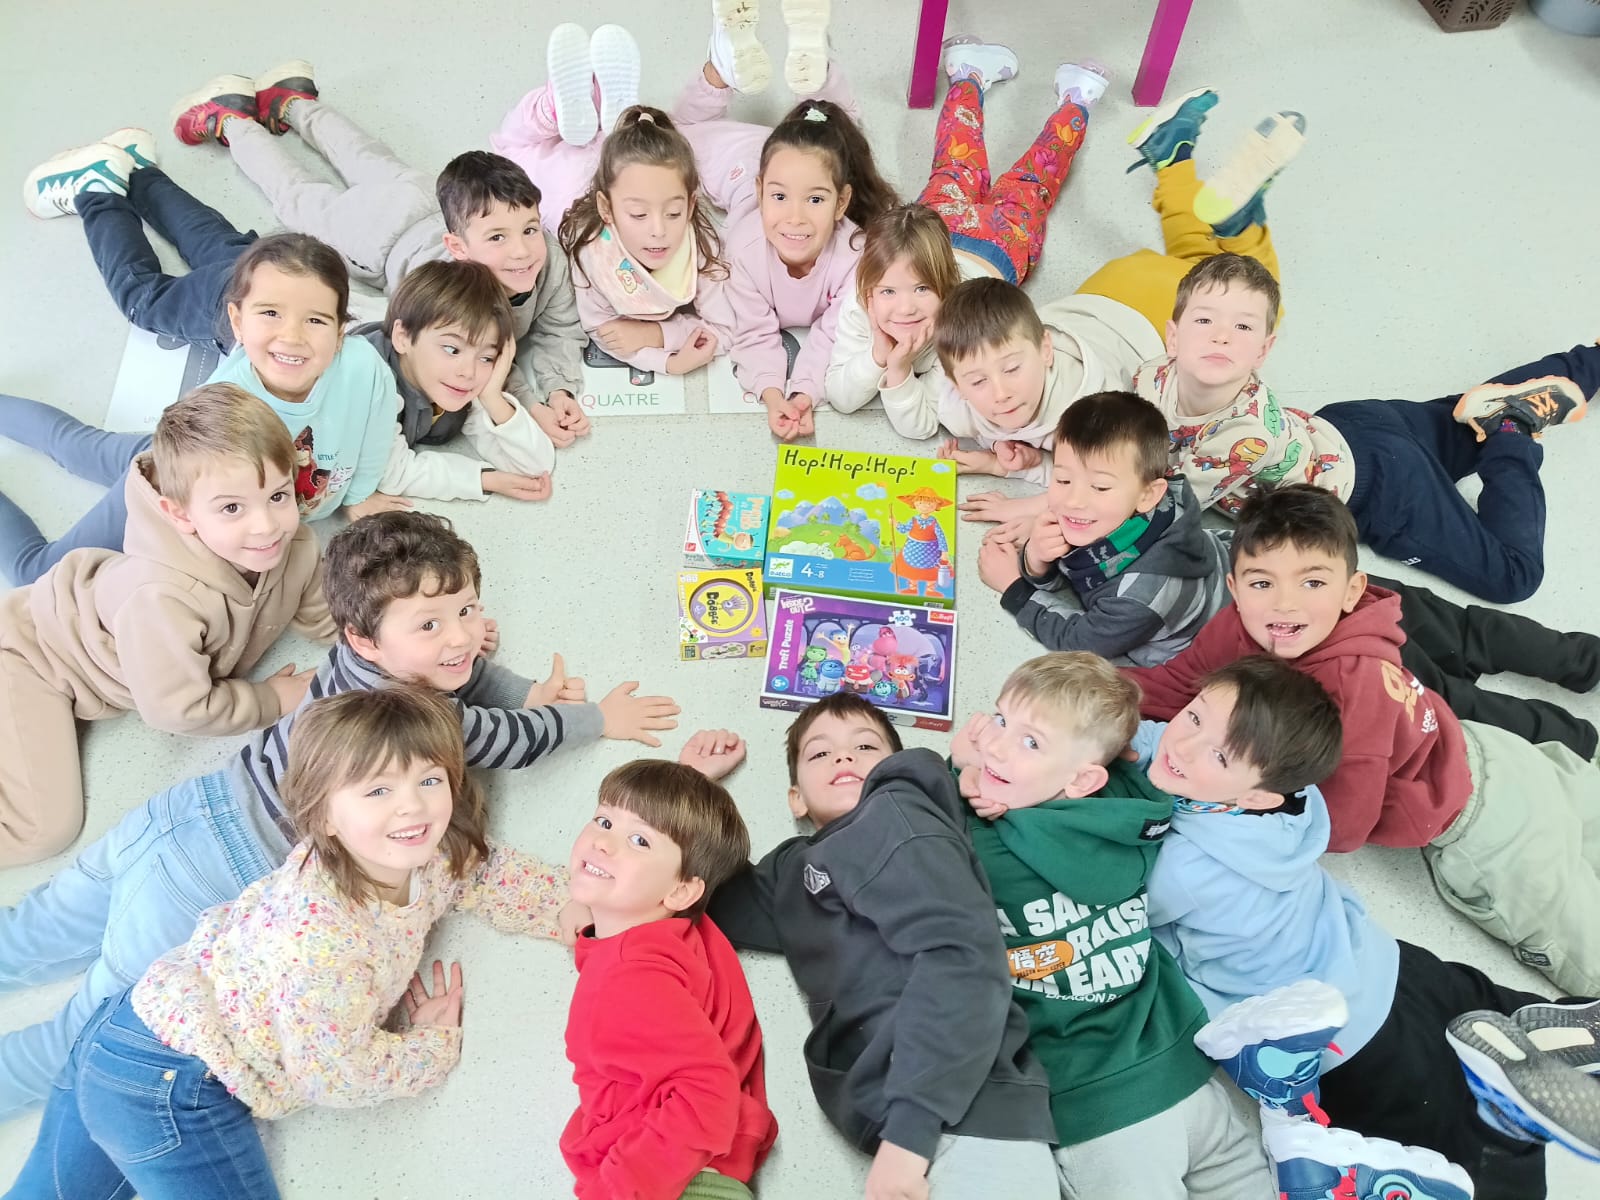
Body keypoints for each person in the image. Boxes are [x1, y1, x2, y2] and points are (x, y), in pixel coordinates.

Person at [0, 510, 679, 1120]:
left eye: (470, 609)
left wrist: (521, 686)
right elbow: (511, 740)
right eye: (431, 624)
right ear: (364, 639)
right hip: (222, 873)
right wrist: (594, 719)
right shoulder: (418, 717)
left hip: (187, 807)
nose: (463, 637)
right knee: (80, 1034)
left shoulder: (362, 655)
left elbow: (462, 668)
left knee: (32, 930)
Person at [4, 686, 584, 1198]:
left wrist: (574, 906)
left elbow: (480, 870)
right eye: (378, 790)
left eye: (429, 780)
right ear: (324, 816)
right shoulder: (323, 936)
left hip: (123, 1028)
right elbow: (335, 1074)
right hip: (172, 1080)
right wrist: (430, 1047)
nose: (412, 805)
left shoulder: (418, 850)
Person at [1138, 655, 1598, 1197]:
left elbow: (1113, 916)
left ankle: (1507, 1125)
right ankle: (1553, 1026)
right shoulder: (1293, 800)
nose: (1183, 744)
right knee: (1497, 1009)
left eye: (1218, 754)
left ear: (1257, 793)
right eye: (1194, 716)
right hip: (1391, 962)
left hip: (1350, 1040)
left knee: (1482, 1170)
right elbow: (1154, 736)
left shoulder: (1182, 869)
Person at [1126, 484, 1600, 997]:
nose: (1284, 604)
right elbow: (1179, 682)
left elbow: (1344, 826)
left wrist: (1221, 799)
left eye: (1312, 582)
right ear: (1235, 588)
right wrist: (1098, 697)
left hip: (1481, 827)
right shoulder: (1239, 625)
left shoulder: (1352, 685)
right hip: (1492, 748)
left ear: (1353, 591)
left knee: (1587, 952)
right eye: (1262, 582)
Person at [696, 695, 1060, 1199]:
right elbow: (699, 897)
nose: (844, 756)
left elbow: (962, 958)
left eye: (865, 747)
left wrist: (910, 1134)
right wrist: (694, 785)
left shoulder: (895, 813)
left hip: (962, 1108)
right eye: (820, 753)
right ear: (796, 800)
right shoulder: (792, 868)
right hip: (913, 1115)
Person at [953, 652, 1275, 1199]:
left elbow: (908, 813)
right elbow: (1122, 762)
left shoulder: (981, 840)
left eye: (1030, 742)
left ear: (1084, 778)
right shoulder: (1134, 812)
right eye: (1001, 720)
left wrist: (959, 767)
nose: (998, 747)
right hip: (1182, 1073)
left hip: (1098, 1104)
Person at [1134, 249, 1595, 604]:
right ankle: (1591, 360)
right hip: (1353, 424)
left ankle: (1511, 429)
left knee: (1513, 576)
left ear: (1263, 350)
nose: (1220, 335)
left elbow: (1158, 514)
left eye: (1242, 327)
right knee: (1466, 414)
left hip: (1382, 492)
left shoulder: (1244, 435)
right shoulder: (1151, 377)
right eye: (1204, 319)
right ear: (1172, 336)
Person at [0, 385, 331, 866]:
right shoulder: (161, 600)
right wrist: (270, 700)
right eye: (232, 508)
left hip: (75, 618)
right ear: (179, 513)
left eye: (278, 495)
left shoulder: (295, 544)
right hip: (30, 659)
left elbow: (325, 614)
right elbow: (178, 709)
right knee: (43, 828)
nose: (267, 525)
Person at [169, 67, 592, 439]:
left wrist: (559, 390)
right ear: (458, 249)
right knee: (296, 195)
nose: (522, 252)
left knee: (361, 153)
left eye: (530, 229)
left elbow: (561, 325)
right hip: (375, 235)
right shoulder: (454, 292)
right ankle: (232, 121)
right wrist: (529, 404)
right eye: (497, 238)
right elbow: (482, 356)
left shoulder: (548, 256)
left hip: (424, 199)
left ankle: (293, 101)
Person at [0, 234, 397, 583]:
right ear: (237, 323)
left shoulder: (363, 365)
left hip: (190, 452)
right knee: (36, 570)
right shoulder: (225, 402)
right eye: (270, 313)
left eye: (315, 320)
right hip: (173, 473)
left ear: (340, 333)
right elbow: (199, 520)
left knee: (81, 445)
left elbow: (376, 426)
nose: (292, 336)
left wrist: (359, 493)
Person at [823, 36, 1107, 415]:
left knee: (1027, 179)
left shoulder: (956, 325)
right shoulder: (860, 306)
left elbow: (924, 419)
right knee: (962, 163)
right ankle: (971, 74)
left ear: (945, 289)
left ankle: (1076, 101)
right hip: (935, 227)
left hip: (996, 242)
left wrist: (895, 369)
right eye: (888, 291)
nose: (905, 309)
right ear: (868, 289)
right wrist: (882, 358)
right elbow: (841, 398)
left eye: (922, 289)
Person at [673, 6, 898, 438]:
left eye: (816, 200)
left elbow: (834, 335)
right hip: (742, 166)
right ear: (762, 192)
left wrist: (804, 394)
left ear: (841, 202)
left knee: (842, 134)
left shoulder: (855, 256)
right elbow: (753, 332)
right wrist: (773, 395)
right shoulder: (743, 250)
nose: (795, 219)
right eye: (779, 198)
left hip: (797, 160)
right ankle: (721, 64)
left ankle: (816, 73)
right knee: (679, 134)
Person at [561, 757, 777, 1200]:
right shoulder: (683, 929)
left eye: (639, 840)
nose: (603, 843)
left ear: (682, 891)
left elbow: (706, 1095)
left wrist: (614, 1192)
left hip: (668, 1180)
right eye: (604, 820)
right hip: (704, 1168)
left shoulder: (631, 979)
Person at [979, 390, 1228, 666]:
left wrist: (1014, 589)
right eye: (1063, 480)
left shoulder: (1140, 595)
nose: (1073, 501)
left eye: (1100, 487)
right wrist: (1037, 558)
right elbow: (1071, 569)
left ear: (1148, 495)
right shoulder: (1106, 514)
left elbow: (1081, 642)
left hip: (1205, 629)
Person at [557, 106, 737, 384]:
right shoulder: (591, 250)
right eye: (639, 214)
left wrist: (656, 335)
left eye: (673, 213)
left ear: (690, 205)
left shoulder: (702, 246)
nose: (658, 231)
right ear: (606, 208)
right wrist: (668, 363)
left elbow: (726, 329)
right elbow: (603, 330)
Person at [360, 260, 559, 503]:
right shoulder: (369, 383)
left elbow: (537, 466)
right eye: (452, 349)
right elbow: (390, 473)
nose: (468, 372)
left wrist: (493, 398)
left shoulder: (459, 382)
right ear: (403, 338)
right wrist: (483, 480)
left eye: (486, 357)